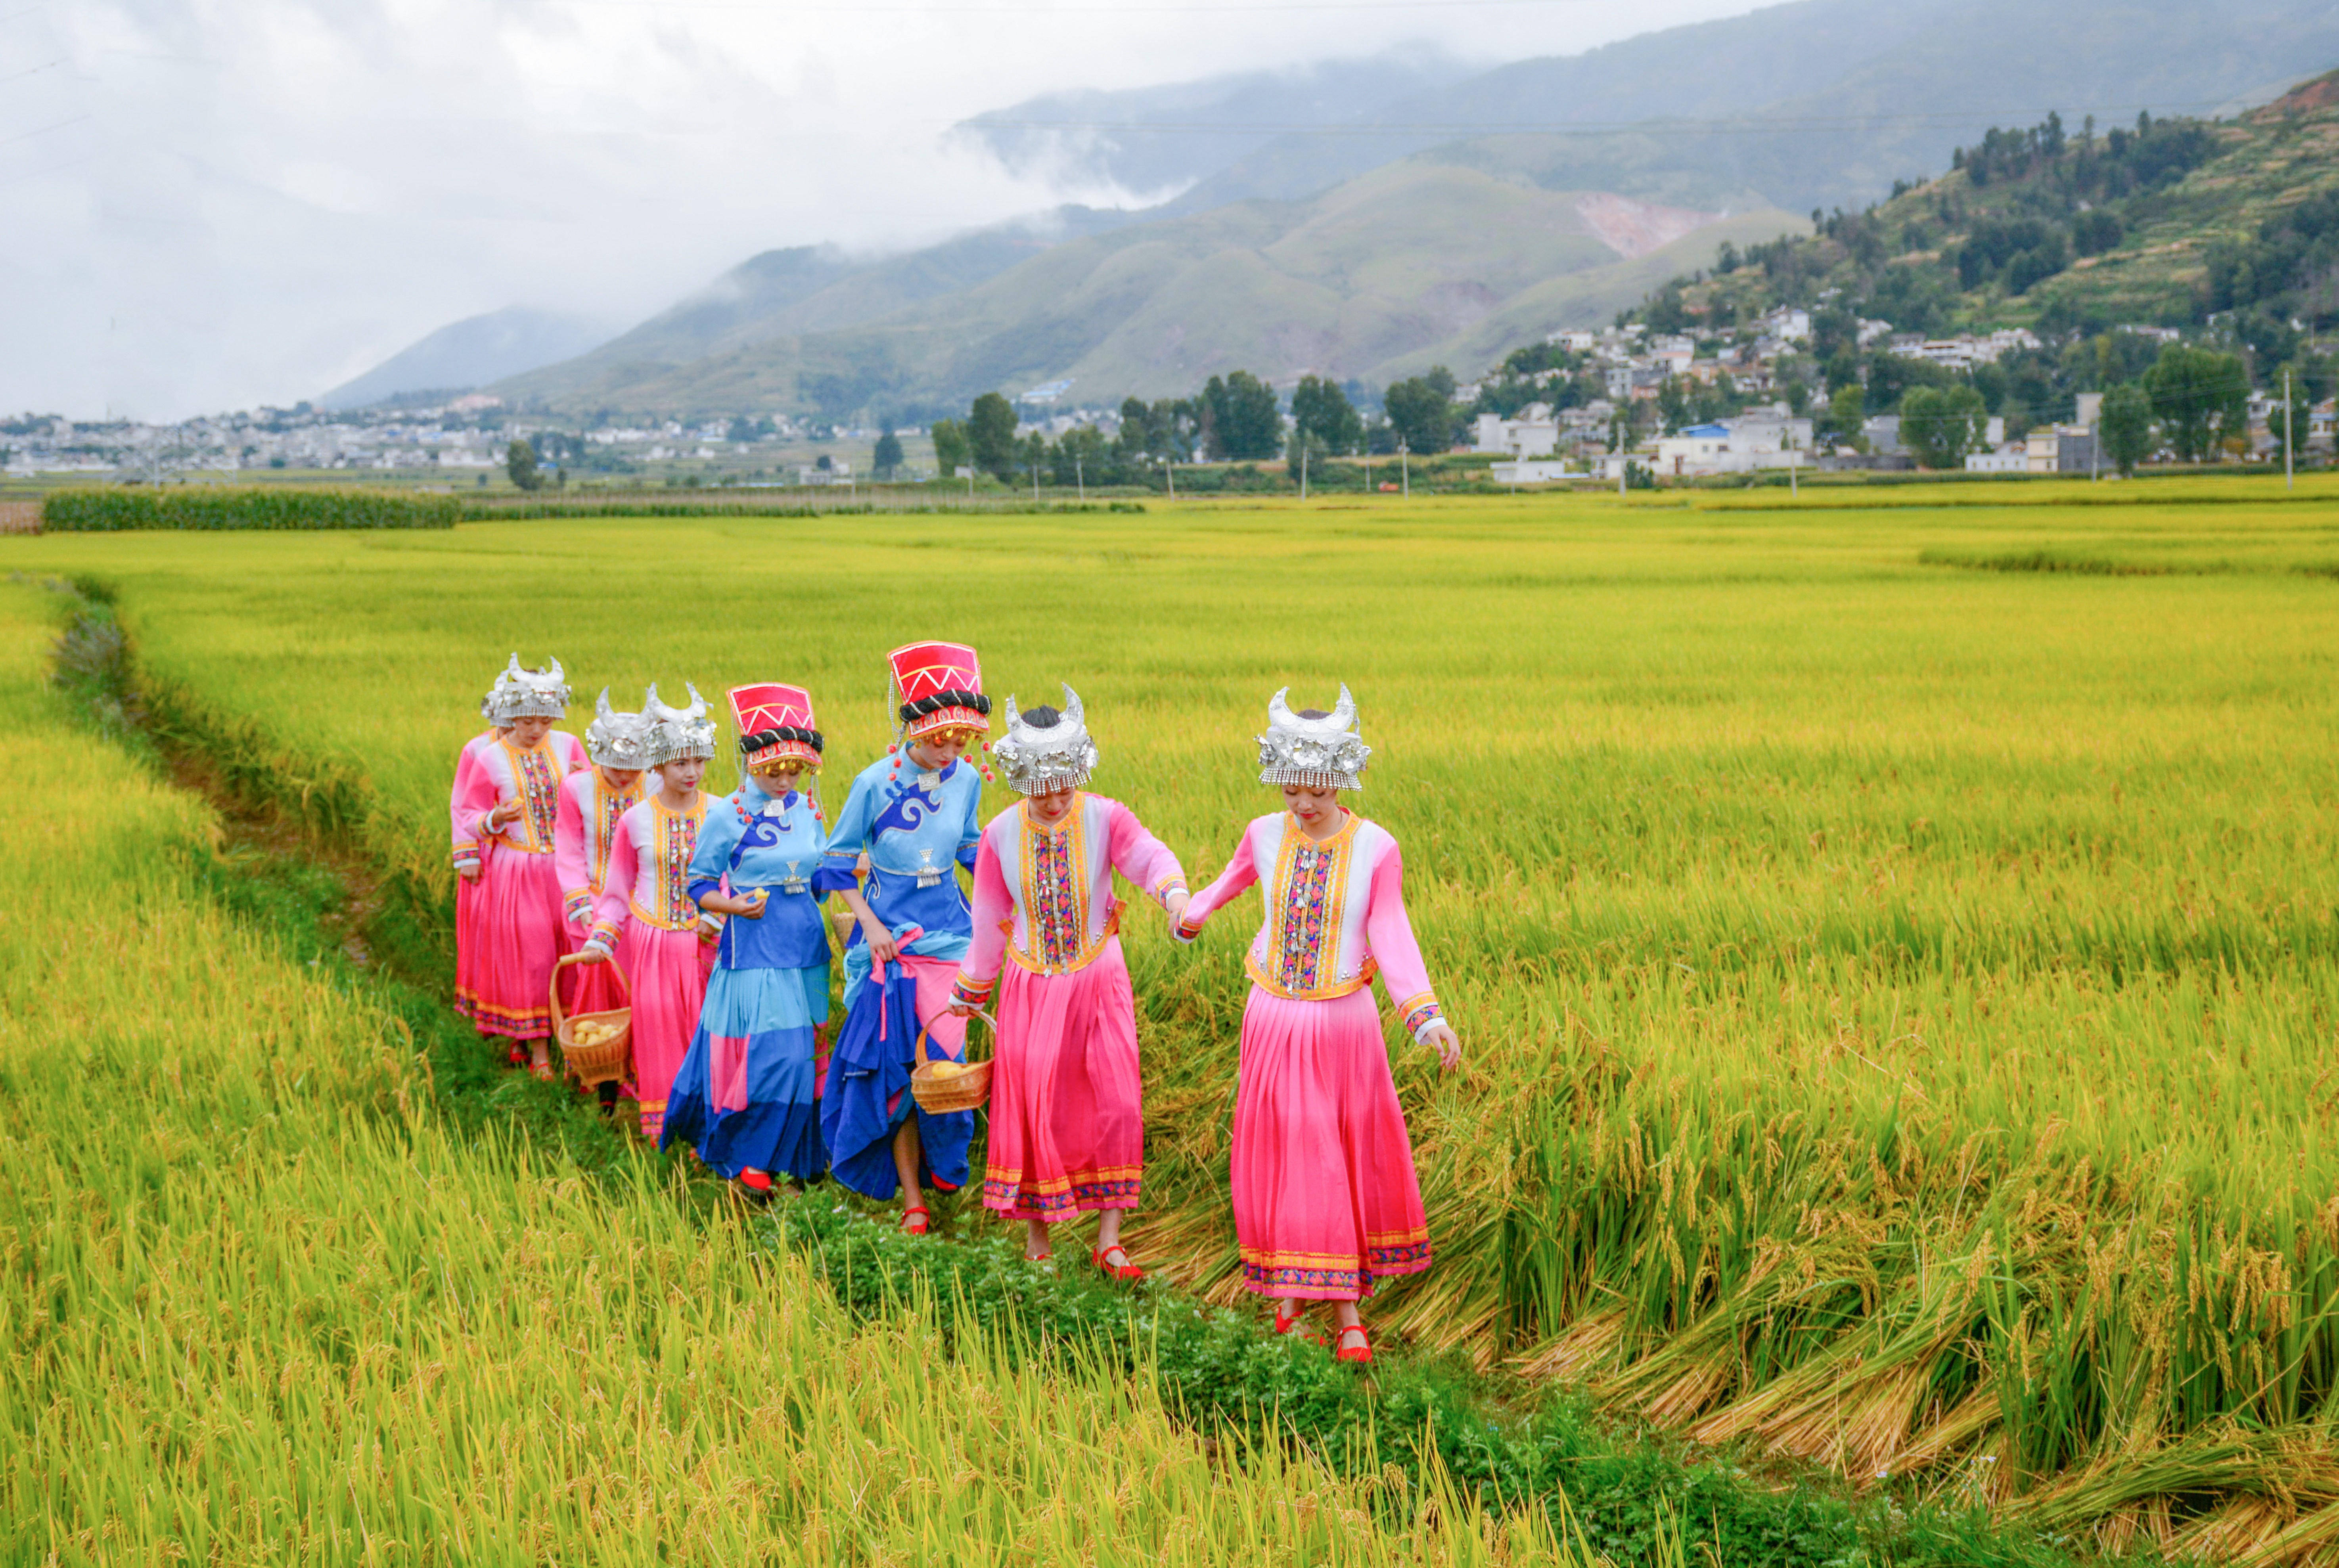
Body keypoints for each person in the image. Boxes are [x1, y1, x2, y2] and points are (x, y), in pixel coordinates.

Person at [1172, 686, 1462, 1365]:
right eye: (1291, 790)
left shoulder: (1376, 848)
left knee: (1334, 1160)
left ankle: (1344, 1310)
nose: (1302, 805)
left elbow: (1389, 931)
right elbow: (1227, 883)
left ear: (1341, 781)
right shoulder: (1263, 834)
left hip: (1343, 1024)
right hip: (1272, 1015)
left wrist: (1425, 1016)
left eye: (1317, 792)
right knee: (1284, 1153)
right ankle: (1290, 1297)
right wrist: (1190, 915)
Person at [948, 686, 1188, 1274]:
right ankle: (1038, 1241)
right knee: (1034, 1105)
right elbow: (987, 919)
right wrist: (970, 987)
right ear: (1020, 780)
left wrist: (1174, 893)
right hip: (1031, 987)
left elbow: (1148, 858)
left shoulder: (1105, 816)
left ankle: (1109, 1238)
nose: (1054, 799)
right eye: (1040, 788)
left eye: (1063, 785)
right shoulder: (1000, 835)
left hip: (1098, 979)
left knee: (1116, 1100)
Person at [816, 641, 991, 1231]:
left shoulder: (965, 778)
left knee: (943, 1061)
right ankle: (912, 1197)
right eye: (938, 738)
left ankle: (946, 1164)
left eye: (959, 740)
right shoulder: (873, 782)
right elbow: (836, 865)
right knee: (898, 1070)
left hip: (949, 937)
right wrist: (869, 924)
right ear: (912, 726)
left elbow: (968, 847)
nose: (948, 751)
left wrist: (1008, 891)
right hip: (888, 945)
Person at [662, 683, 835, 1193]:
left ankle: (793, 1158)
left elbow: (818, 877)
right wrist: (733, 905)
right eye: (773, 770)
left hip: (805, 947)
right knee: (774, 1054)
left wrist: (853, 870)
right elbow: (697, 883)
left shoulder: (808, 810)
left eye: (794, 771)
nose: (784, 780)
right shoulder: (726, 815)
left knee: (803, 1057)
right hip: (754, 951)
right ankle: (750, 1152)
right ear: (750, 762)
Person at [579, 684, 720, 1139]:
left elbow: (734, 876)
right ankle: (664, 1125)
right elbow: (618, 891)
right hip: (653, 940)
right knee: (657, 1028)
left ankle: (706, 1127)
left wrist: (715, 918)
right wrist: (603, 936)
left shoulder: (720, 814)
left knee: (707, 1030)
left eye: (699, 760)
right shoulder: (635, 820)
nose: (692, 771)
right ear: (658, 764)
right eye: (681, 762)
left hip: (708, 941)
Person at [455, 655, 589, 1074]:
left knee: (571, 952)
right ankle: (538, 1052)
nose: (535, 730)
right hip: (518, 868)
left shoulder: (568, 746)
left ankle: (574, 1042)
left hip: (566, 870)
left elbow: (594, 796)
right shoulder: (488, 756)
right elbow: (467, 811)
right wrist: (495, 820)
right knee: (531, 956)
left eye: (544, 721)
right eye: (527, 720)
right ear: (510, 713)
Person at [553, 689, 653, 1100]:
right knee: (596, 987)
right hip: (591, 903)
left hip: (645, 907)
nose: (626, 778)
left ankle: (641, 1067)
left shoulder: (658, 785)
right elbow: (569, 850)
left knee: (641, 989)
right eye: (615, 768)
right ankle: (600, 1070)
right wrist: (584, 905)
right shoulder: (575, 789)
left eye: (633, 769)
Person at [450, 664, 511, 1035]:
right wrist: (468, 854)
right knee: (486, 932)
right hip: (486, 857)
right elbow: (463, 804)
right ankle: (487, 1009)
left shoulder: (551, 748)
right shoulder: (479, 749)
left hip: (525, 857)